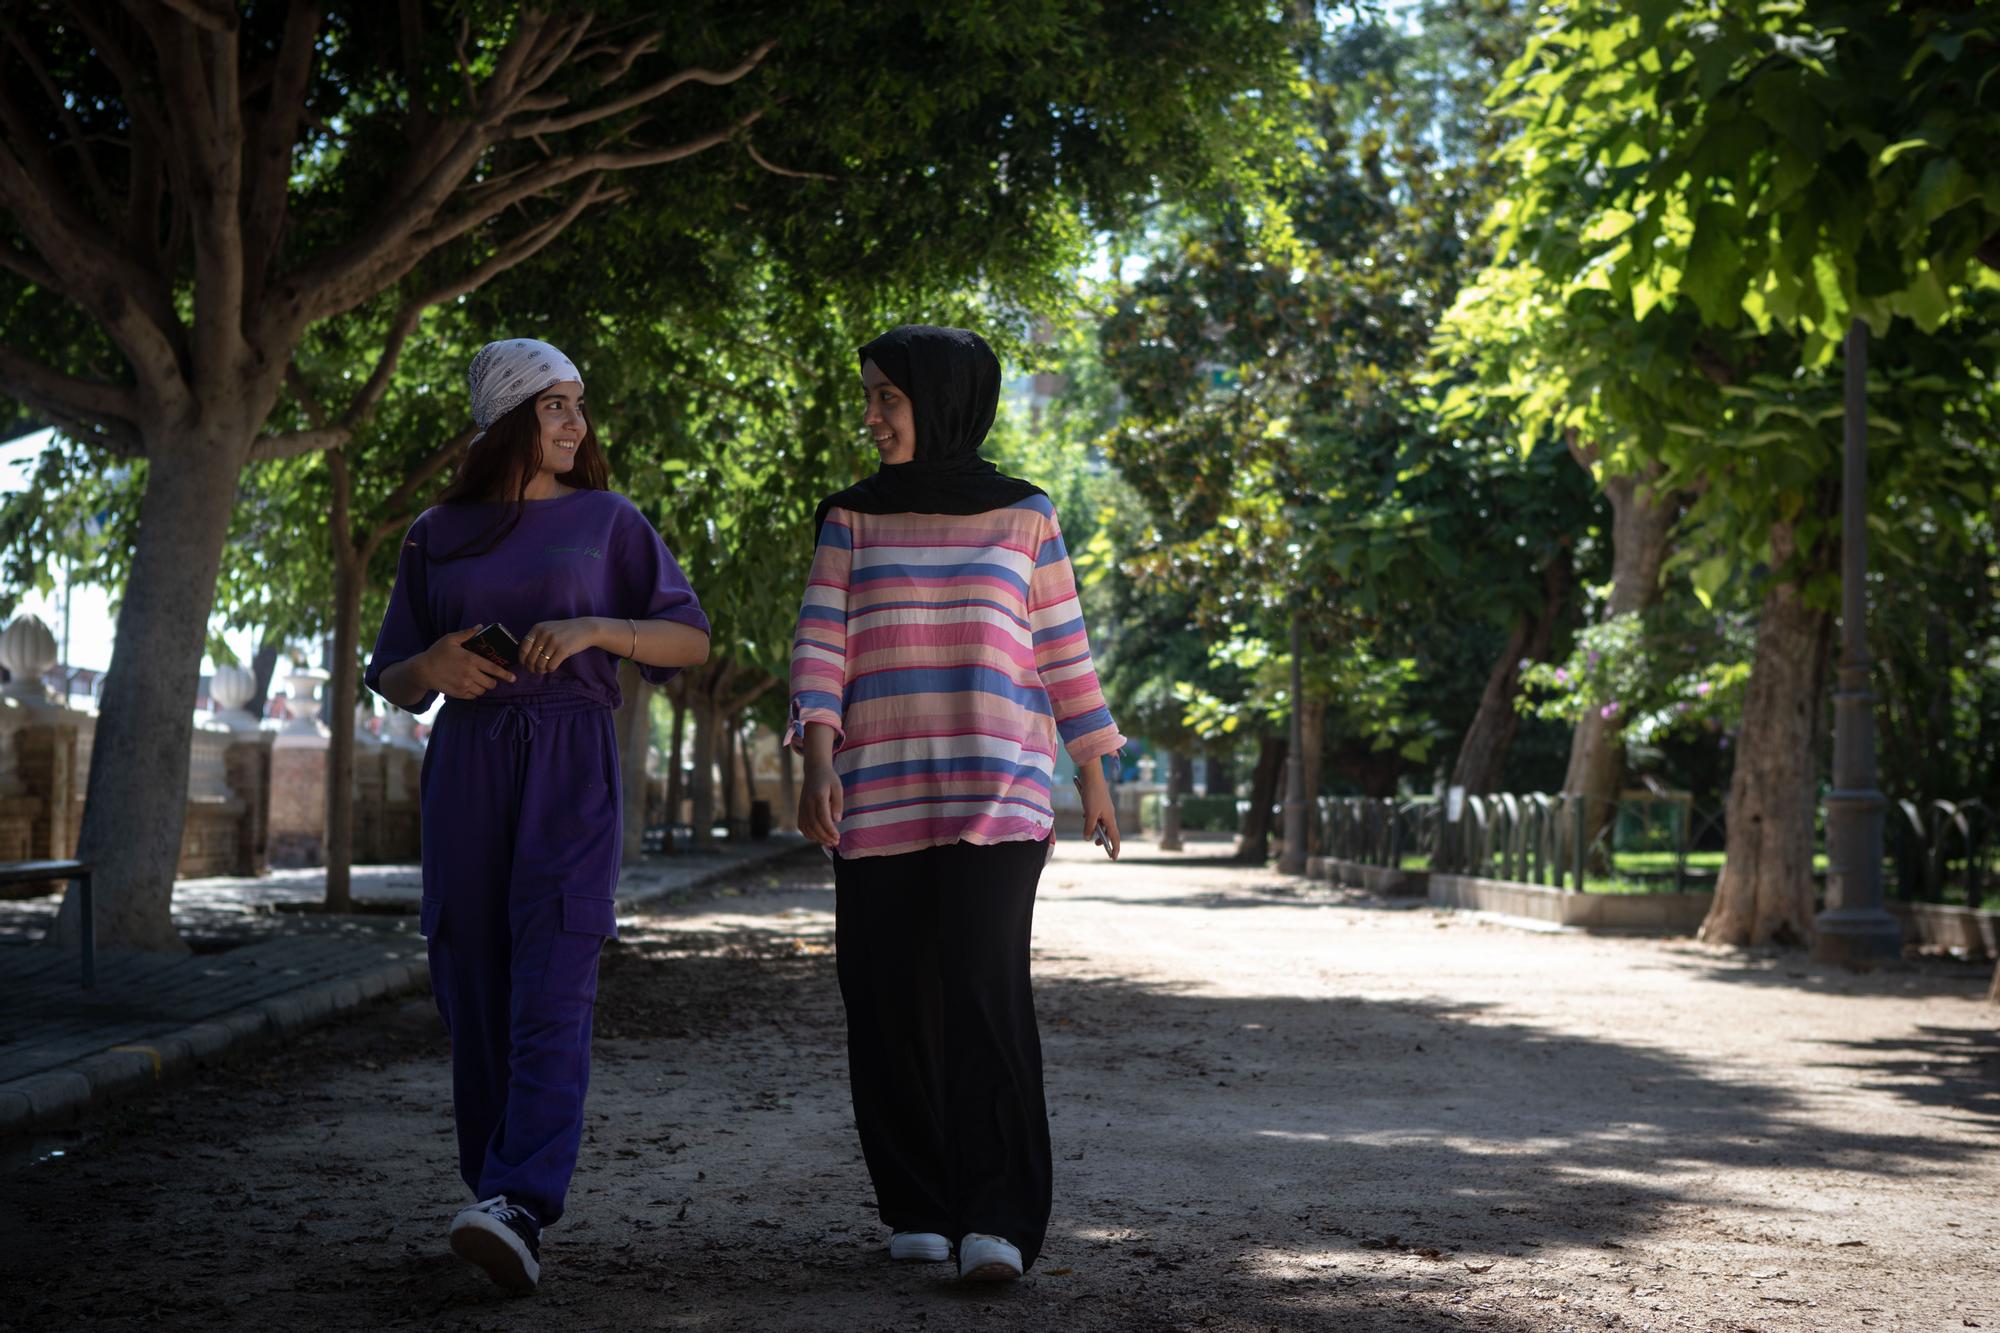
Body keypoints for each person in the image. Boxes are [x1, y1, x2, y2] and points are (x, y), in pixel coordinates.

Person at [366, 338, 710, 1294]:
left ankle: (520, 1198)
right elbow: (391, 671)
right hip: (470, 757)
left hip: (569, 754)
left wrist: (600, 627)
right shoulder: (437, 532)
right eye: (556, 406)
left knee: (555, 970)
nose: (576, 423)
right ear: (511, 416)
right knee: (470, 978)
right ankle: (493, 1193)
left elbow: (687, 637)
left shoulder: (610, 521)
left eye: (577, 405)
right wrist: (427, 669)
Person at [788, 324, 1125, 1283]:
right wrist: (819, 761)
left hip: (998, 792)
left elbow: (1062, 648)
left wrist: (1094, 771)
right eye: (869, 395)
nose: (872, 416)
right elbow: (821, 647)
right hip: (875, 795)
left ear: (941, 400)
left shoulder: (1025, 514)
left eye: (888, 397)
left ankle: (1000, 1219)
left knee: (984, 996)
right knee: (885, 998)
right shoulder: (850, 517)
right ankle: (919, 1203)